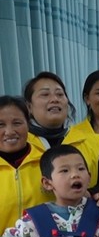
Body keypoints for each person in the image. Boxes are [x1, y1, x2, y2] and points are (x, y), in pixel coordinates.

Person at [2, 145, 99, 237]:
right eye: (65, 171)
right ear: (47, 183)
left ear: (89, 177)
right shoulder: (30, 222)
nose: (75, 175)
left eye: (80, 169)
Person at [24, 72, 99, 210]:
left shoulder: (91, 141)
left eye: (60, 94)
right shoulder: (21, 145)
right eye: (45, 94)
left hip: (83, 221)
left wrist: (93, 193)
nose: (54, 99)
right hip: (32, 222)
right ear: (29, 106)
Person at [0, 96, 51, 230]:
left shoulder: (50, 162)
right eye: (1, 125)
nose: (9, 132)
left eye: (17, 123)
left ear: (28, 125)